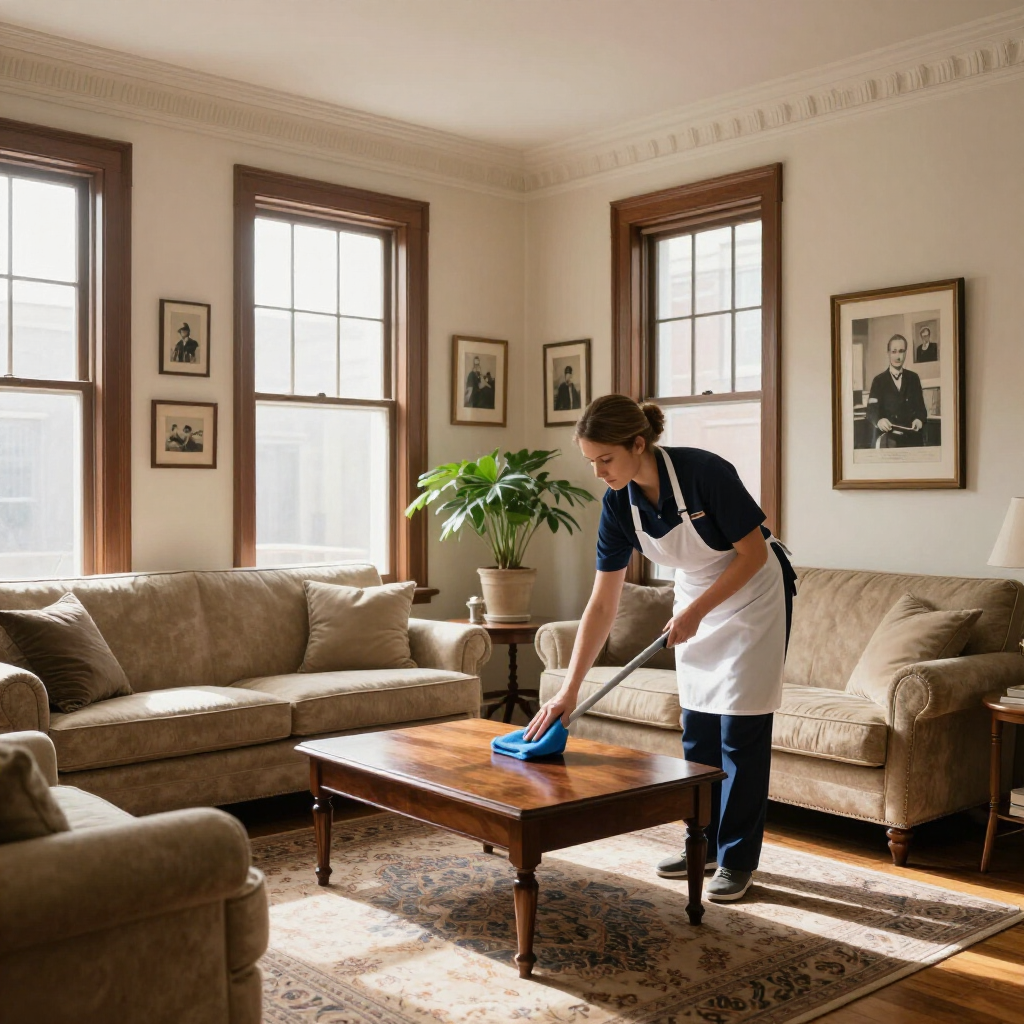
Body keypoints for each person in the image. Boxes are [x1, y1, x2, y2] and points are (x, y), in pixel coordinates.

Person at [523, 394, 796, 903]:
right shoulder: (617, 505)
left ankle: (737, 858)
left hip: (752, 593)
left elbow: (754, 553)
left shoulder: (704, 472)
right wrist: (569, 689)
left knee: (740, 731)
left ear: (638, 443)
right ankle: (704, 844)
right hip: (694, 593)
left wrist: (695, 613)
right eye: (591, 462)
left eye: (606, 459)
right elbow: (603, 604)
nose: (600, 472)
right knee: (698, 730)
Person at [865, 334, 927, 447]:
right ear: (888, 353)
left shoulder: (914, 378)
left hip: (912, 440)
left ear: (906, 353)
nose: (898, 356)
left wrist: (919, 420)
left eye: (901, 351)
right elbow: (871, 411)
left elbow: (921, 409)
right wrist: (879, 421)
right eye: (894, 351)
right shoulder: (878, 381)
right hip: (887, 440)